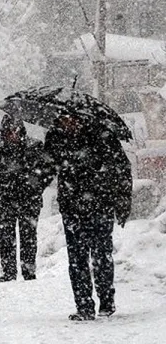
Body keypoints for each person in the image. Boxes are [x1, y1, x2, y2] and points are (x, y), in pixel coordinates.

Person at [44, 113, 131, 321]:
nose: (68, 123)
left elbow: (121, 168)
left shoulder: (102, 136)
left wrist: (122, 202)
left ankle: (106, 302)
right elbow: (46, 168)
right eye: (63, 119)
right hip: (72, 207)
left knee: (101, 255)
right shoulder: (56, 138)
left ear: (81, 118)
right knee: (77, 259)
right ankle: (84, 305)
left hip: (100, 205)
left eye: (72, 119)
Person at [0, 115, 52, 282]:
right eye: (9, 131)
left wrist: (36, 187)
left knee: (28, 237)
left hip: (29, 200)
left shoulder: (35, 147)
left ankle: (28, 271)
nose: (12, 135)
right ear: (3, 133)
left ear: (21, 130)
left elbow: (47, 171)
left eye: (15, 130)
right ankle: (8, 272)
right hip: (6, 200)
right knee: (6, 237)